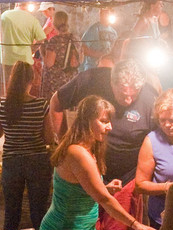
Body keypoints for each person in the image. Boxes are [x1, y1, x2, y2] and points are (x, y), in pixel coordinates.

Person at [38, 95, 158, 230]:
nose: (110, 127)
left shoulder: (88, 149)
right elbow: (103, 199)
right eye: (103, 121)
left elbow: (79, 190)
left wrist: (105, 188)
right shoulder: (77, 153)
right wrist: (136, 225)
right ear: (87, 121)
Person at [50, 58, 157, 186]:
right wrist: (64, 143)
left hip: (129, 175)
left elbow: (157, 140)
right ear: (112, 84)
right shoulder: (90, 80)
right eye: (123, 95)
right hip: (88, 167)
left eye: (134, 95)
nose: (128, 100)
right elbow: (56, 102)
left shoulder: (151, 98)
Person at [0, 62, 54, 230]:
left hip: (12, 161)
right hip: (38, 161)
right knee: (39, 212)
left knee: (11, 213)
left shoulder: (1, 105)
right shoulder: (41, 105)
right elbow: (49, 138)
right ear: (31, 80)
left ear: (12, 79)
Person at [134, 89, 173, 227]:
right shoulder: (152, 141)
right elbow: (140, 184)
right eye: (162, 120)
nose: (167, 125)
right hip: (165, 219)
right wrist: (167, 187)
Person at [0, 4, 45, 90]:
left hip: (6, 57)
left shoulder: (4, 15)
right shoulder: (32, 19)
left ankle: (4, 102)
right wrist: (32, 50)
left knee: (4, 85)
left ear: (16, 4)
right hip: (25, 59)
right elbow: (41, 39)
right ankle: (22, 103)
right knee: (24, 86)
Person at [39, 11, 80, 100]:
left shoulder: (55, 41)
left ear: (54, 24)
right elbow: (81, 59)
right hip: (71, 81)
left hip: (56, 83)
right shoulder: (76, 39)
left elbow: (49, 63)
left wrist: (42, 50)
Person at [79, 6, 117, 72]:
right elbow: (83, 48)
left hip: (107, 69)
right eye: (105, 13)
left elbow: (115, 49)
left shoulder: (114, 32)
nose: (108, 15)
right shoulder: (94, 30)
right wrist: (99, 55)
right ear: (100, 14)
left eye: (109, 13)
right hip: (93, 68)